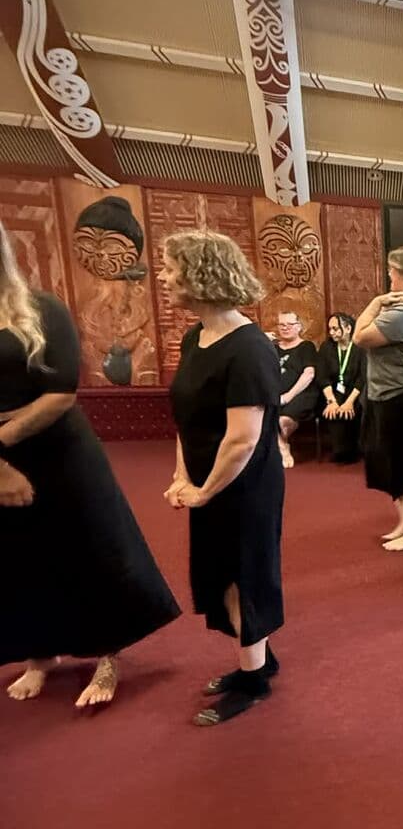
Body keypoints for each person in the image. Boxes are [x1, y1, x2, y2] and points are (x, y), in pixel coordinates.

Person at [0, 221, 179, 708]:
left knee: (91, 545)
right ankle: (40, 655)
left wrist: (4, 439)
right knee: (17, 556)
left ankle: (107, 654)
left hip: (60, 450)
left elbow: (60, 393)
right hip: (0, 456)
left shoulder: (41, 309)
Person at [161, 230, 285, 726]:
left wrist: (204, 490)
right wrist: (180, 476)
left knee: (243, 573)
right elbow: (187, 418)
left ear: (200, 276)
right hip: (208, 482)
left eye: (172, 269)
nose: (166, 278)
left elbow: (242, 440)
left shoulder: (249, 348)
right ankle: (261, 658)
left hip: (244, 486)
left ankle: (253, 680)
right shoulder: (197, 336)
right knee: (219, 572)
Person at [354, 247, 403, 551]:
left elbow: (359, 337)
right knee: (389, 466)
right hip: (383, 396)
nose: (389, 276)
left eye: (393, 270)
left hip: (402, 397)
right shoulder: (401, 307)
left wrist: (375, 303)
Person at [315, 312, 365, 463]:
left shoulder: (360, 347)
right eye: (330, 329)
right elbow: (322, 377)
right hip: (332, 392)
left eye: (336, 329)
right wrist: (332, 401)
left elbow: (362, 379)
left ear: (348, 328)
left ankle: (353, 449)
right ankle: (340, 450)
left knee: (353, 407)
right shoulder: (326, 347)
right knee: (333, 409)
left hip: (355, 393)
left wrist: (349, 402)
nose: (332, 333)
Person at [273, 310, 319, 468]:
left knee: (281, 421)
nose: (285, 328)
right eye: (281, 325)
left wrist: (288, 396)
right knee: (260, 415)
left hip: (301, 394)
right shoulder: (272, 348)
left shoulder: (306, 346)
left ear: (299, 326)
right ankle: (282, 446)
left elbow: (309, 374)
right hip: (274, 394)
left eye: (290, 324)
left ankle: (281, 447)